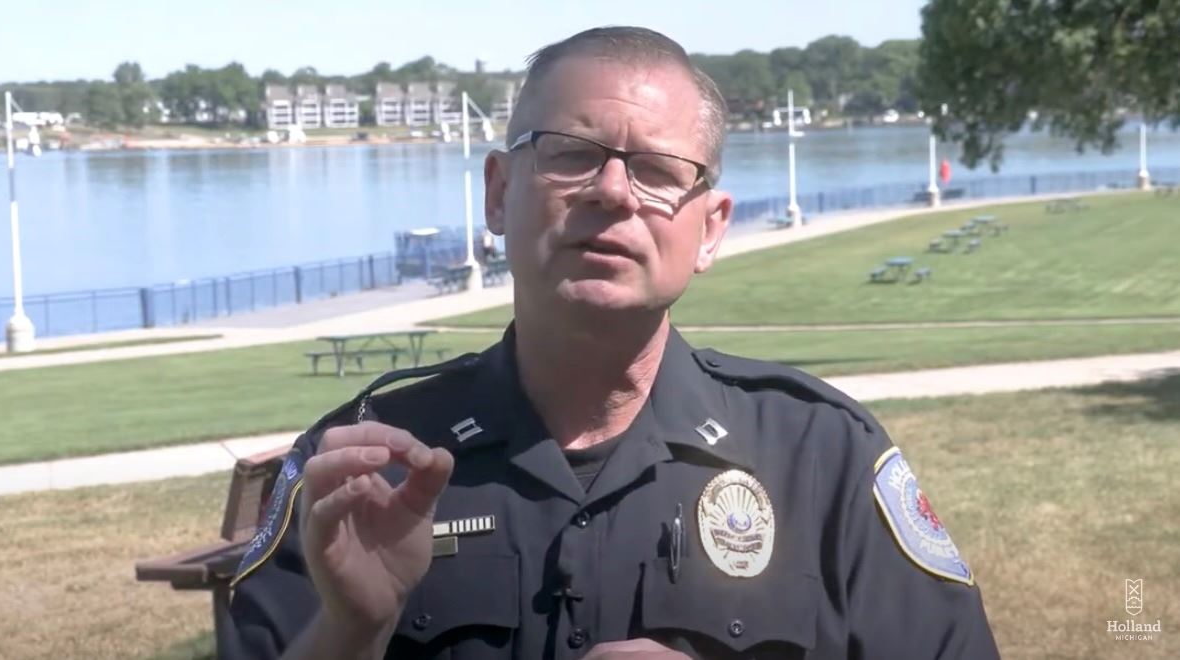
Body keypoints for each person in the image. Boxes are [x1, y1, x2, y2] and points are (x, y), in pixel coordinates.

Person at [227, 26, 999, 660]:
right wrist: (350, 631)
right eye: (570, 153)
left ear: (711, 229)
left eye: (660, 171)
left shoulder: (822, 456)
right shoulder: (365, 469)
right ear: (497, 193)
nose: (614, 191)